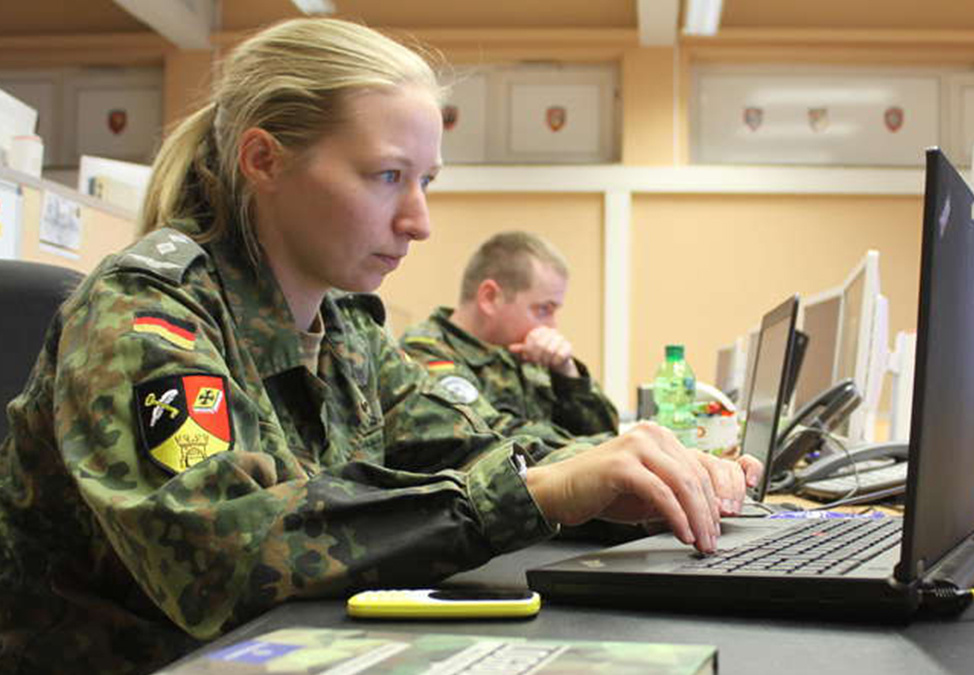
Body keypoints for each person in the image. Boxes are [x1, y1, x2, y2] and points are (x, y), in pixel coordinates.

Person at [0, 18, 760, 675]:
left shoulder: (349, 331)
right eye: (387, 176)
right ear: (263, 160)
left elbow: (475, 444)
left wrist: (627, 469)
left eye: (426, 179)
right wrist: (538, 492)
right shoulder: (146, 315)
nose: (419, 220)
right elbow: (219, 553)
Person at [402, 232, 618, 441]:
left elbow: (607, 432)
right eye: (543, 309)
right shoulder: (424, 352)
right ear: (490, 297)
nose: (553, 325)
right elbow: (489, 437)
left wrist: (566, 373)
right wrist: (596, 454)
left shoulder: (528, 353)